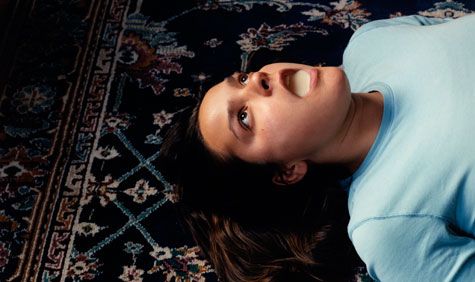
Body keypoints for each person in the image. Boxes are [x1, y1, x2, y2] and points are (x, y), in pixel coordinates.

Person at [160, 14, 475, 281]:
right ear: (287, 171)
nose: (258, 79)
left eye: (242, 79)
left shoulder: (371, 43)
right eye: (244, 118)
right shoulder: (386, 226)